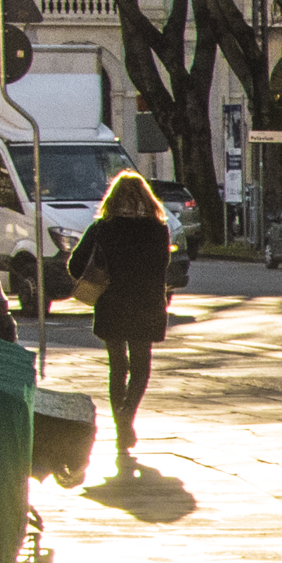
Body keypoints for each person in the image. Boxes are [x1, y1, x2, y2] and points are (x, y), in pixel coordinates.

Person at [68, 172, 171, 465]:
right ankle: (127, 416)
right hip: (146, 303)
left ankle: (120, 425)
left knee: (118, 367)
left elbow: (75, 265)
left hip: (112, 303)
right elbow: (163, 267)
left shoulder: (102, 228)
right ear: (146, 198)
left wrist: (100, 275)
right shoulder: (157, 229)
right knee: (141, 367)